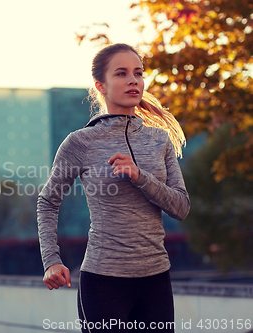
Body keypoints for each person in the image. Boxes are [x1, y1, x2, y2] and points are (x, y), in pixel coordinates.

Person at [37, 43, 190, 333]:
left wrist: (140, 176)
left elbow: (181, 207)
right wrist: (51, 261)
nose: (133, 80)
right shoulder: (80, 142)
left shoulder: (159, 141)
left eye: (138, 73)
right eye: (121, 73)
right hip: (104, 281)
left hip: (156, 279)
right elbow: (48, 201)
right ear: (101, 85)